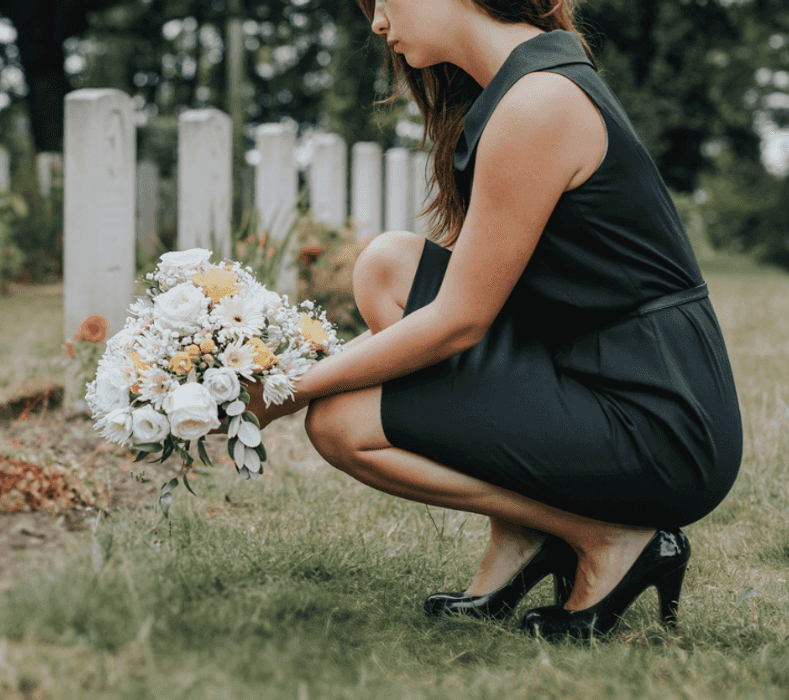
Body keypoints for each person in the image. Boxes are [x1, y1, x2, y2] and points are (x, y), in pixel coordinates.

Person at [246, 0, 743, 640]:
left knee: (341, 422)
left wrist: (290, 387)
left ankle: (609, 538)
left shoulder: (538, 103)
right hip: (588, 363)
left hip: (660, 417)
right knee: (387, 266)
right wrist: (302, 368)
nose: (375, 22)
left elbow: (458, 323)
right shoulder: (523, 81)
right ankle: (525, 535)